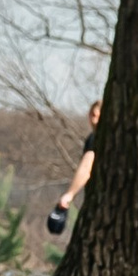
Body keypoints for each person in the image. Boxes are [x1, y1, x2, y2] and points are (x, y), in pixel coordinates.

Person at [47, 102, 101, 239]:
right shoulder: (92, 137)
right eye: (90, 114)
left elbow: (87, 166)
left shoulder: (97, 138)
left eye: (95, 114)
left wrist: (69, 195)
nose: (92, 118)